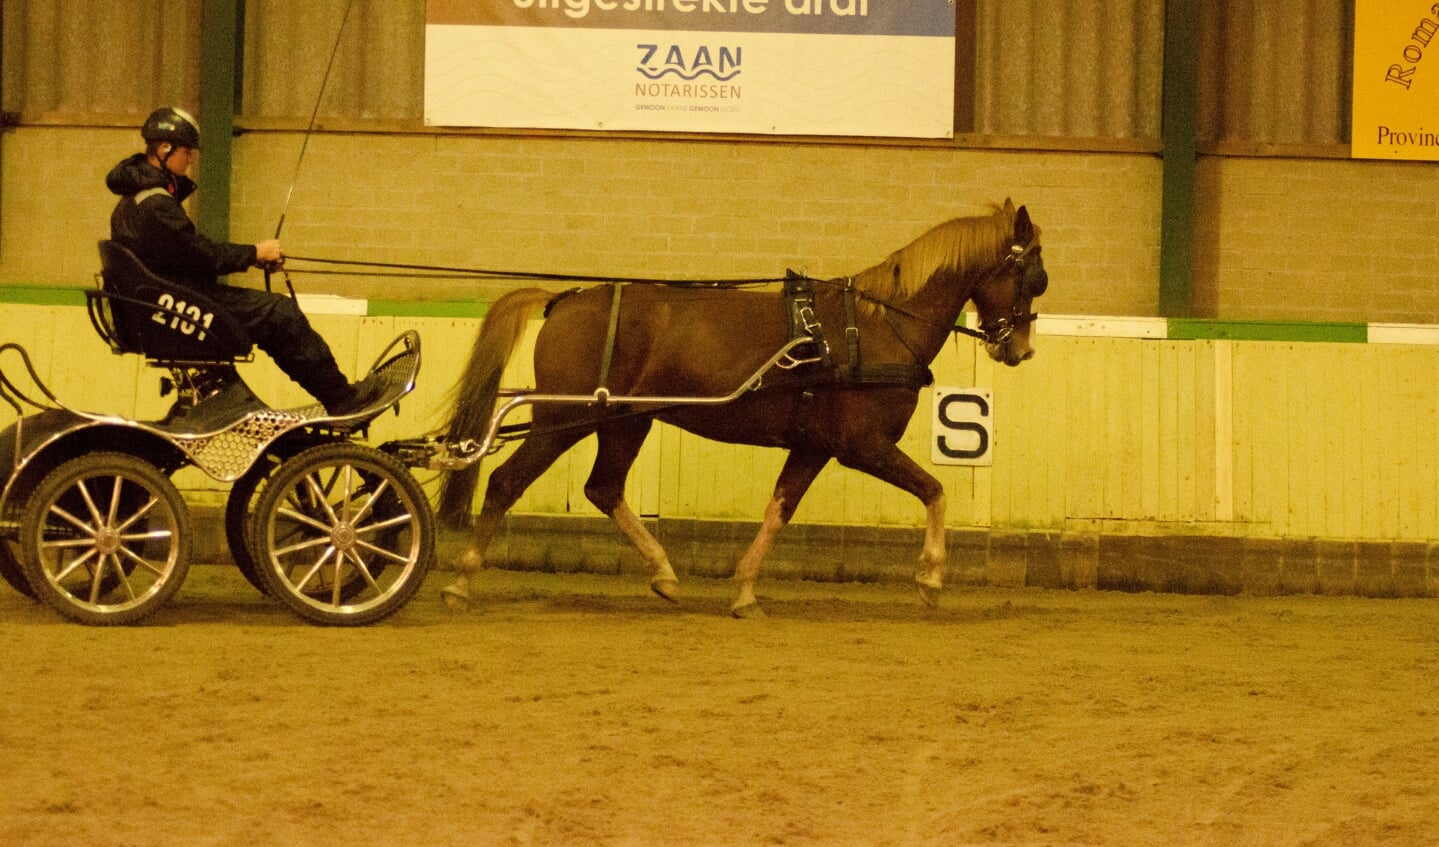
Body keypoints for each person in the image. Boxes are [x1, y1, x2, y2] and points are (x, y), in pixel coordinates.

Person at [105, 106, 379, 416]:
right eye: (187, 151)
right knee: (280, 313)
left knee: (273, 313)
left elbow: (186, 254)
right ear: (165, 149)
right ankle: (341, 399)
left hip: (165, 304)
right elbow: (202, 255)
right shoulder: (156, 203)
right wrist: (255, 253)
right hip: (179, 306)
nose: (192, 159)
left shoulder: (135, 199)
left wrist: (251, 257)